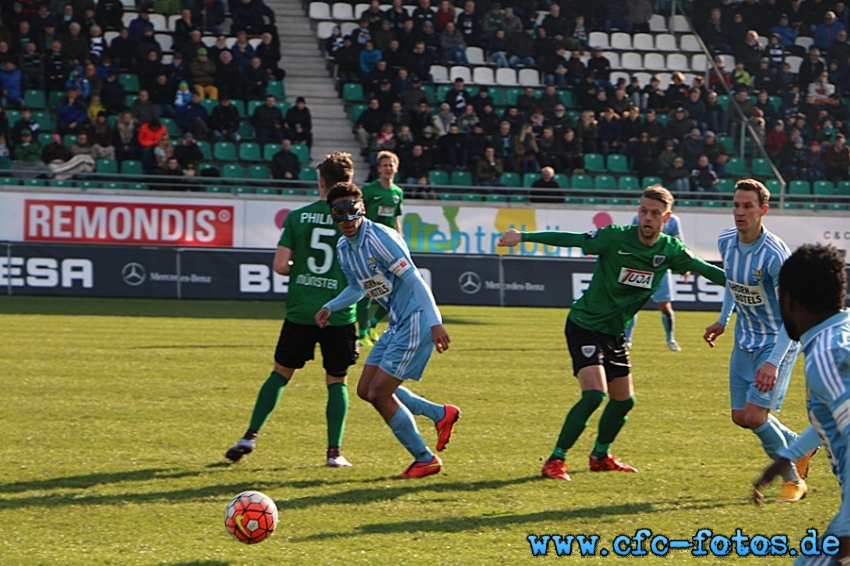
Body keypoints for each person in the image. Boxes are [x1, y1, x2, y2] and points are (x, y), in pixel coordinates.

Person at [498, 186, 726, 481]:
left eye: (655, 213)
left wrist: (746, 284)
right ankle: (555, 460)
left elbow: (704, 269)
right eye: (643, 210)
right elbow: (573, 239)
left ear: (666, 218)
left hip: (614, 332)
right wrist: (524, 237)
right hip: (585, 324)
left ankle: (600, 456)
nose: (647, 217)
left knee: (624, 401)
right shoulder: (615, 236)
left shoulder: (670, 250)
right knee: (594, 395)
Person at [315, 182, 460, 478]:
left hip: (416, 319)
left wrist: (435, 322)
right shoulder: (344, 248)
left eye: (351, 212)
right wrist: (331, 306)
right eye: (339, 215)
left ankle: (424, 459)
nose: (347, 221)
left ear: (362, 209)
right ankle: (439, 414)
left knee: (380, 393)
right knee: (366, 390)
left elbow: (416, 280)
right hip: (397, 322)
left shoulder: (380, 238)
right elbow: (357, 288)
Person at [225, 152, 360, 468]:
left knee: (280, 374)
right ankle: (334, 453)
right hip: (339, 313)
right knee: (336, 380)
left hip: (302, 310)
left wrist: (301, 269)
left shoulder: (298, 217)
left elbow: (279, 266)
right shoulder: (354, 220)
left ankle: (250, 435)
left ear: (321, 182)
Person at [703, 179, 812, 503]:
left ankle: (793, 481)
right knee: (741, 417)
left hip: (777, 340)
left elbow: (789, 316)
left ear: (762, 211)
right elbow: (732, 283)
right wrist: (723, 320)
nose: (740, 212)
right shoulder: (726, 241)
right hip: (744, 341)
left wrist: (772, 361)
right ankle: (799, 445)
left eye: (748, 206)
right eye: (736, 205)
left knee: (755, 416)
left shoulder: (775, 255)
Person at [753, 244, 847, 564]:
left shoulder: (826, 358)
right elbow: (835, 420)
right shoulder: (838, 336)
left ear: (789, 301)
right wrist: (787, 455)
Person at [356, 150, 404, 347]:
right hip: (370, 246)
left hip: (389, 246)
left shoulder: (397, 193)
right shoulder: (368, 191)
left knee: (396, 289)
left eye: (391, 164)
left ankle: (373, 323)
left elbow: (394, 219)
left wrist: (400, 240)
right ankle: (362, 333)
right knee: (368, 289)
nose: (388, 168)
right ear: (379, 169)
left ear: (396, 168)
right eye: (384, 165)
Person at [624, 211, 686, 352]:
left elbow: (679, 243)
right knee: (631, 305)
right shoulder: (637, 218)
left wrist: (684, 265)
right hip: (641, 270)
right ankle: (626, 340)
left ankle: (670, 339)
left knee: (665, 306)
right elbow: (632, 243)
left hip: (661, 270)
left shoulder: (673, 221)